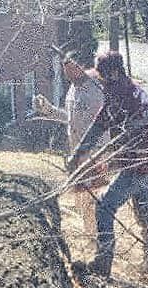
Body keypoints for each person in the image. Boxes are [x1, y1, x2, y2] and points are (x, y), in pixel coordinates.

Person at [67, 50, 148, 278]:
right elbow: (100, 124)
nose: (100, 80)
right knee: (144, 211)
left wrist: (107, 164)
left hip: (137, 166)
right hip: (143, 163)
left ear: (112, 73)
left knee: (104, 207)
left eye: (102, 76)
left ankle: (103, 261)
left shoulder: (128, 97)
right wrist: (79, 153)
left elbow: (130, 135)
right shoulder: (122, 92)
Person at [32, 55, 108, 237]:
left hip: (94, 152)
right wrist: (48, 110)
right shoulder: (72, 90)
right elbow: (69, 118)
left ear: (81, 66)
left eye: (71, 69)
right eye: (65, 70)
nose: (67, 74)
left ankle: (102, 235)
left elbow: (104, 122)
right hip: (77, 152)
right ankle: (90, 234)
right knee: (82, 195)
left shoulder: (96, 89)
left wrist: (95, 152)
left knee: (94, 196)